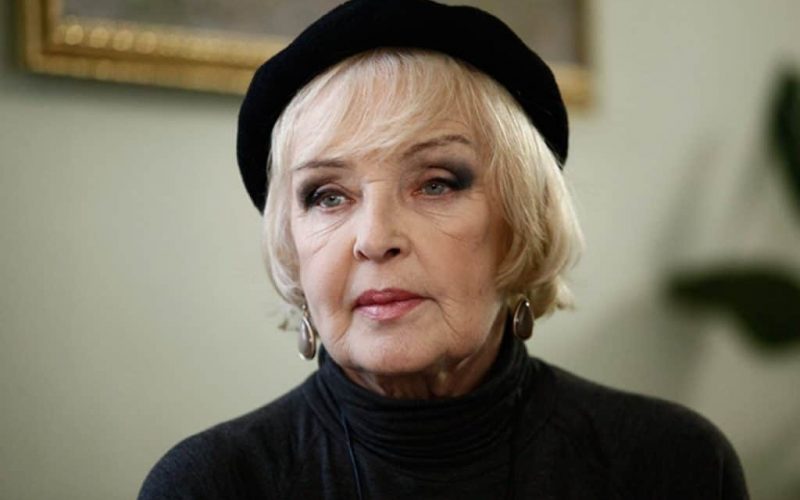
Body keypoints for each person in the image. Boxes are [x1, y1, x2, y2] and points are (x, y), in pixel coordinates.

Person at [139, 1, 749, 498]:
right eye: (328, 196)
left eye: (435, 184)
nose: (375, 239)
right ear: (292, 243)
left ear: (522, 221)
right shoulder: (209, 484)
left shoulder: (672, 464)